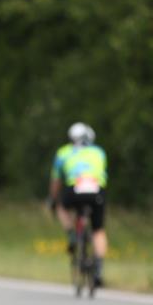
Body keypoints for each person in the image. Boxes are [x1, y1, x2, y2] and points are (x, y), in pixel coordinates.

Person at [48, 122, 109, 286]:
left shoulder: (63, 152)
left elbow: (56, 180)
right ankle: (98, 270)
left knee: (61, 206)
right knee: (98, 230)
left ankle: (72, 235)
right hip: (96, 190)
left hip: (74, 189)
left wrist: (53, 200)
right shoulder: (99, 152)